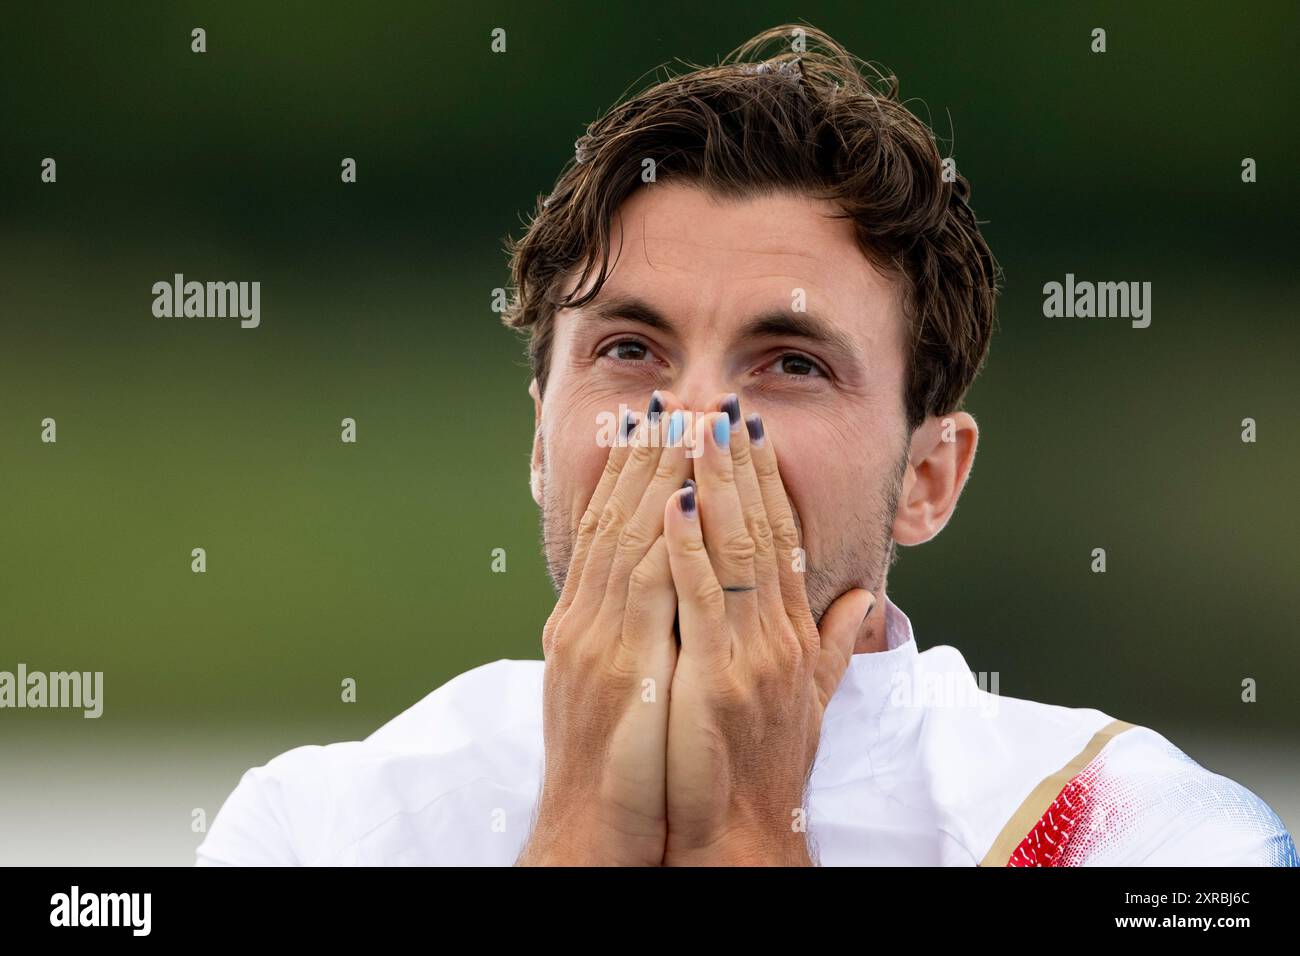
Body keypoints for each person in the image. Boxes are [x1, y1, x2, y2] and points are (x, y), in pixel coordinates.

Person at [197, 24, 1296, 866]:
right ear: (539, 433)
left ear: (927, 478)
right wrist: (580, 823)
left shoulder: (1127, 826)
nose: (692, 425)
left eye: (792, 362)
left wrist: (747, 832)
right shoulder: (322, 826)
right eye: (630, 349)